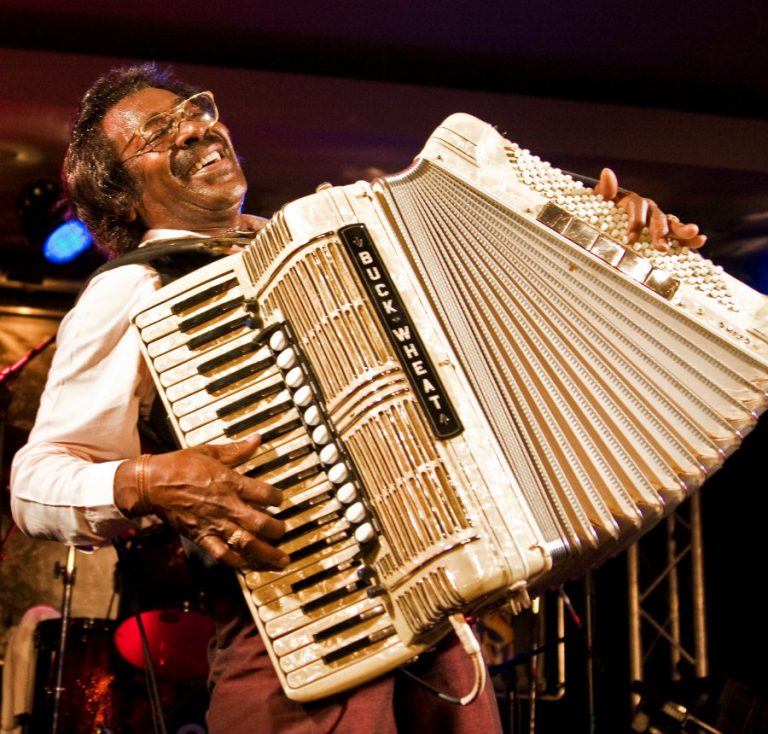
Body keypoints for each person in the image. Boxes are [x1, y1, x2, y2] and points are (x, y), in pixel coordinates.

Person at [9, 63, 706, 733]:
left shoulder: (326, 240)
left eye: (196, 113)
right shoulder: (136, 290)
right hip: (304, 638)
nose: (194, 131)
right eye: (157, 135)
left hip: (447, 643)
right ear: (123, 197)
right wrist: (147, 479)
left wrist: (617, 252)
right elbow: (36, 482)